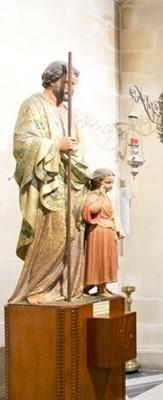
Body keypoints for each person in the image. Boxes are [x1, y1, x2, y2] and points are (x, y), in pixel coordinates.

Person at [9, 61, 90, 304]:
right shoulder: (33, 105)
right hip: (49, 183)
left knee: (74, 233)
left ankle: (66, 286)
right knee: (56, 232)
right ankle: (36, 286)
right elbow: (22, 142)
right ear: (53, 79)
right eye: (68, 83)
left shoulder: (67, 110)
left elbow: (78, 144)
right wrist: (55, 144)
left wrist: (74, 149)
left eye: (75, 84)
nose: (72, 89)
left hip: (71, 181)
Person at [82, 168, 123, 296]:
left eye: (112, 183)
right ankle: (95, 287)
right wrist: (101, 197)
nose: (110, 186)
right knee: (99, 259)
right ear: (99, 182)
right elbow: (91, 210)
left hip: (108, 231)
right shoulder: (92, 195)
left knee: (108, 259)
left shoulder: (106, 197)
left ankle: (103, 286)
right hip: (97, 231)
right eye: (108, 182)